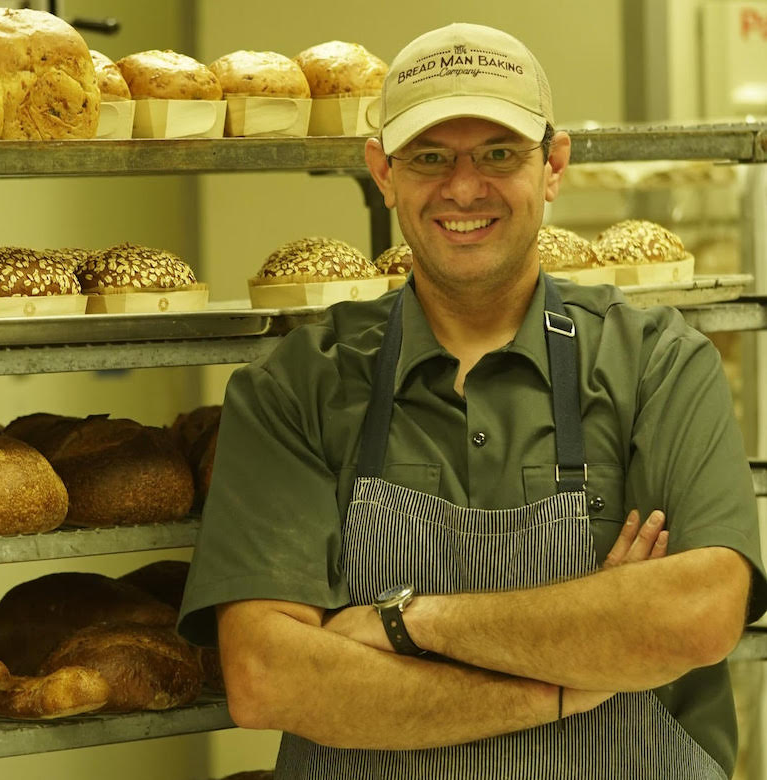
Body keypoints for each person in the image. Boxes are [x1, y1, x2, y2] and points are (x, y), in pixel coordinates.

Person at [178, 22, 767, 780]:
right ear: (382, 172)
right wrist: (570, 681)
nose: (464, 187)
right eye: (430, 157)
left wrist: (402, 621)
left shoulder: (656, 365)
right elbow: (268, 676)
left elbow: (697, 613)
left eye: (499, 153)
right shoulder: (297, 386)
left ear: (553, 164)